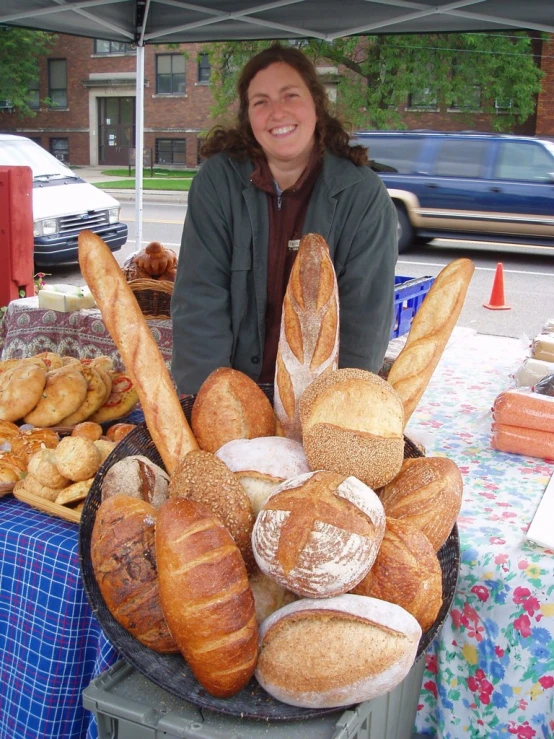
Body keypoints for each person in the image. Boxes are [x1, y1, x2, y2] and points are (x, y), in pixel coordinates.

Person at [171, 44, 398, 395]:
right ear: (248, 116)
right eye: (260, 102)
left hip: (319, 401)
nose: (276, 112)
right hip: (234, 394)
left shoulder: (362, 195)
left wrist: (337, 409)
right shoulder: (217, 184)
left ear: (316, 105)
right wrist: (210, 401)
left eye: (289, 95)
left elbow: (364, 324)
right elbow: (199, 301)